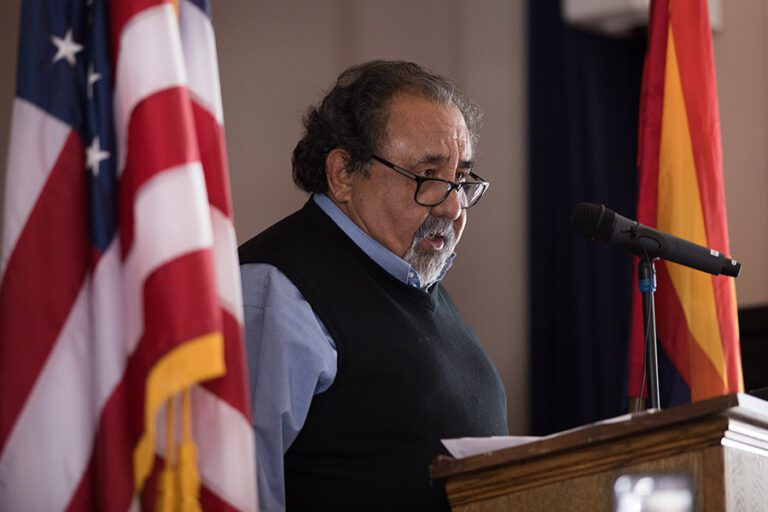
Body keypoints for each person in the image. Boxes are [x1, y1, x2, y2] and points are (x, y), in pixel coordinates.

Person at [239, 60, 508, 511]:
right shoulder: (275, 291)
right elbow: (237, 488)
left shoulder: (413, 276)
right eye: (428, 176)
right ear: (343, 173)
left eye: (460, 179)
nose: (452, 208)